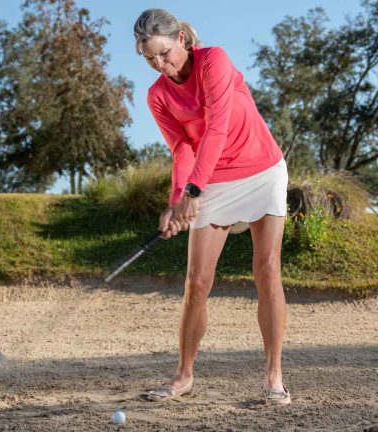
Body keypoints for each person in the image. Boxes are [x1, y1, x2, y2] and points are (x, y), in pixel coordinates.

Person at [134, 8, 291, 405]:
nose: (160, 64)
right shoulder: (158, 95)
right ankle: (183, 375)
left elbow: (217, 126)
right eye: (149, 58)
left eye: (165, 53)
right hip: (213, 180)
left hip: (260, 169)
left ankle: (274, 374)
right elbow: (182, 148)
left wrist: (193, 194)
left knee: (266, 269)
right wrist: (176, 202)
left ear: (181, 40)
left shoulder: (214, 60)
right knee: (196, 282)